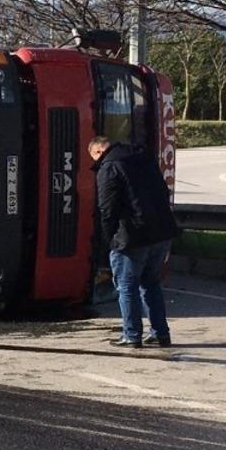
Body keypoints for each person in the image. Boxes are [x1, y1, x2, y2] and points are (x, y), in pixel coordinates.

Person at [88, 135, 178, 347]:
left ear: (99, 151)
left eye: (94, 158)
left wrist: (107, 239)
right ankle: (160, 333)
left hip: (131, 237)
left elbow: (107, 209)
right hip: (161, 232)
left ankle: (132, 334)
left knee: (127, 287)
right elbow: (164, 192)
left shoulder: (109, 166)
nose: (96, 164)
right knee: (151, 283)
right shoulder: (144, 158)